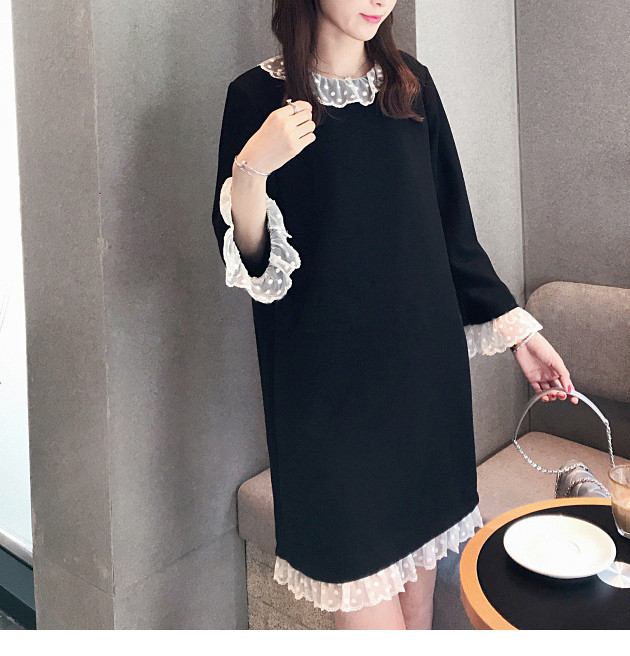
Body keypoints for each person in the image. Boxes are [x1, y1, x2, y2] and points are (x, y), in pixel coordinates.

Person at [211, 0, 578, 630]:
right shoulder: (255, 99)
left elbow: (453, 233)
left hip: (423, 394)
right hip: (328, 407)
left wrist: (520, 333)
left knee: (418, 614)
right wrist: (252, 169)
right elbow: (253, 264)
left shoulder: (411, 86)